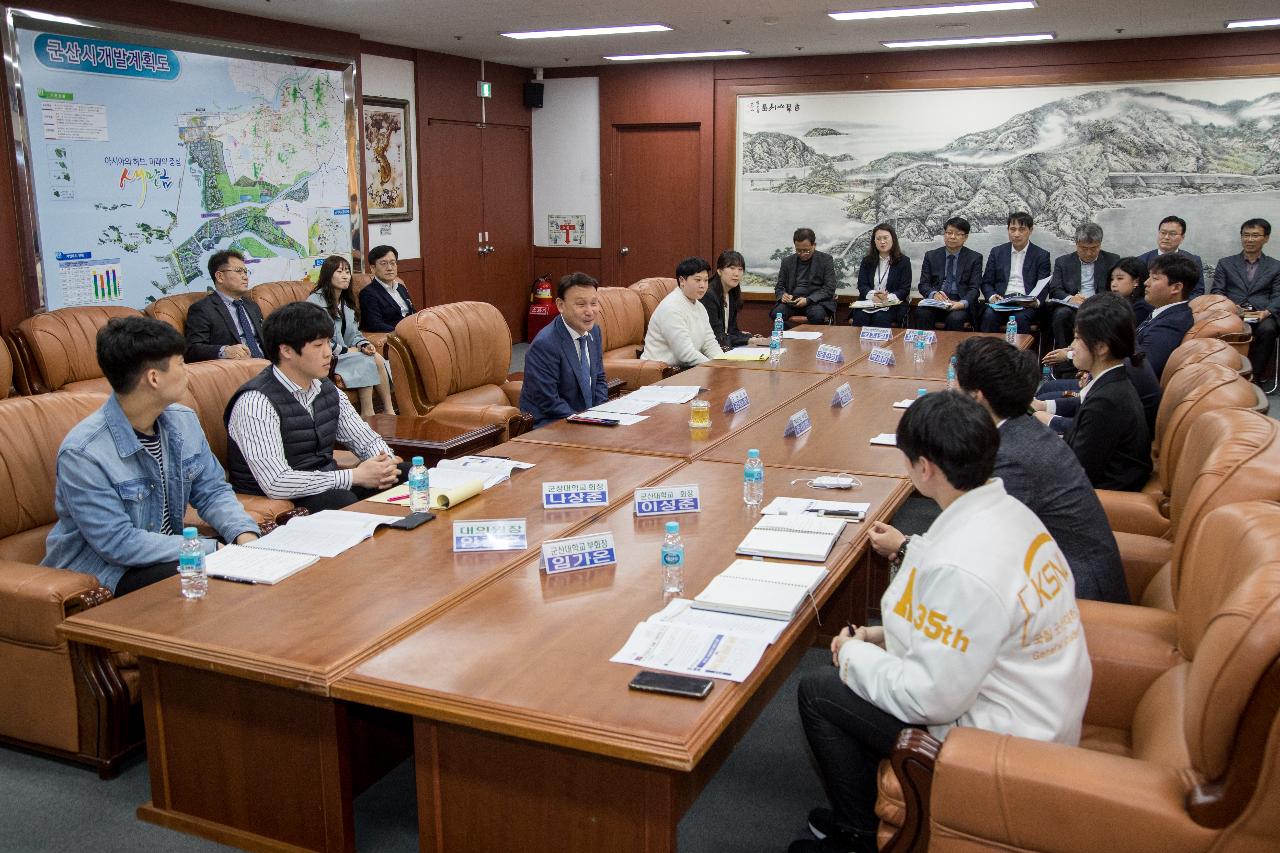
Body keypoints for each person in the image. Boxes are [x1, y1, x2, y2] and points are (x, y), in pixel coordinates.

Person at [790, 391, 1090, 853]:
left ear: (925, 468)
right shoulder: (1009, 513)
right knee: (852, 678)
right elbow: (965, 629)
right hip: (1037, 704)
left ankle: (858, 839)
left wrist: (853, 654)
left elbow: (926, 699)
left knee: (820, 690)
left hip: (1002, 742)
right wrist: (880, 637)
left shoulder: (962, 564)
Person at [43, 317, 260, 595]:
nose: (187, 373)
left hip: (169, 554)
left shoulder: (183, 421)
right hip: (108, 571)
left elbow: (212, 491)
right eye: (181, 364)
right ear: (154, 378)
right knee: (218, 584)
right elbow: (118, 542)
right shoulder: (84, 453)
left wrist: (244, 535)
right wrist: (208, 549)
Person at [955, 337, 1128, 603]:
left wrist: (910, 548)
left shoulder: (1012, 457)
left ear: (977, 396)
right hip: (1058, 565)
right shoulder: (1022, 427)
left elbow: (988, 549)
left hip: (1076, 594)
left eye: (955, 383)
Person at [226, 301, 403, 513]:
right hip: (284, 497)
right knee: (342, 500)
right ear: (287, 351)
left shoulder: (326, 389)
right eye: (319, 346)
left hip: (329, 484)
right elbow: (276, 482)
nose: (329, 353)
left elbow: (365, 439)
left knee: (406, 473)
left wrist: (386, 463)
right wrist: (353, 476)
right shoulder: (256, 402)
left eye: (329, 343)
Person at [1056, 294, 1152, 491]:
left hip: (1104, 500)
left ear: (1101, 347)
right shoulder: (1111, 382)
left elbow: (1078, 472)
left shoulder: (1107, 401)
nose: (1072, 347)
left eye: (1077, 338)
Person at [307, 255, 395, 417]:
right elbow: (316, 339)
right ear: (328, 275)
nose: (345, 275)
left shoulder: (346, 303)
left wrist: (363, 344)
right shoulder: (315, 301)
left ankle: (389, 410)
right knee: (365, 359)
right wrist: (347, 351)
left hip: (346, 354)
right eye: (339, 271)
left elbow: (354, 334)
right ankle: (368, 413)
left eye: (347, 271)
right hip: (326, 356)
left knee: (376, 356)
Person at [519, 272, 609, 428]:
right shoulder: (545, 344)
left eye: (594, 303)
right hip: (553, 424)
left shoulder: (594, 331)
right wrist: (586, 422)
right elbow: (548, 401)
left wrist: (600, 414)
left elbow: (599, 377)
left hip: (586, 421)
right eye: (581, 305)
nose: (589, 311)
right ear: (560, 305)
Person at [1212, 218, 1280, 381]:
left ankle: (1253, 377)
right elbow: (1217, 291)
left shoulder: (1275, 266)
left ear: (1266, 238)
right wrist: (1230, 307)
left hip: (1261, 314)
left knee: (1268, 330)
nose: (1249, 240)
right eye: (1246, 235)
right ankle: (1225, 375)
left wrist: (1267, 312)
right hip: (1233, 313)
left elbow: (1278, 294)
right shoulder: (1225, 263)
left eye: (1255, 235)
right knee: (1219, 328)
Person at [184, 249, 266, 363]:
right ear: (220, 277)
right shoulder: (203, 309)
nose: (245, 277)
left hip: (268, 365)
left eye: (245, 272)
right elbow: (192, 349)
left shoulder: (252, 306)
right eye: (239, 271)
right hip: (238, 369)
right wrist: (225, 351)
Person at [1046, 222, 1120, 348]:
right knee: (1061, 314)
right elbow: (1054, 289)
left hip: (1101, 307)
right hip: (1073, 307)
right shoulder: (1062, 262)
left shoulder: (1112, 260)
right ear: (1076, 244)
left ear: (1100, 244)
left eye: (1094, 248)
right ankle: (1063, 363)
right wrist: (1071, 299)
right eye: (1084, 248)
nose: (1089, 253)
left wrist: (1098, 301)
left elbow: (1116, 289)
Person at [642, 257, 724, 367]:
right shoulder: (671, 307)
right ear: (682, 281)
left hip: (684, 368)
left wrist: (723, 364)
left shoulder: (700, 307)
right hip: (663, 372)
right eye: (697, 280)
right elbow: (685, 354)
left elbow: (709, 343)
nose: (703, 285)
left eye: (706, 280)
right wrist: (712, 367)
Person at [978, 211, 1051, 333]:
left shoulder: (1041, 255)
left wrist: (1035, 302)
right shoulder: (997, 252)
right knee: (989, 315)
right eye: (1012, 229)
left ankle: (1020, 352)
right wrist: (991, 297)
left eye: (1022, 229)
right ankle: (989, 352)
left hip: (1027, 304)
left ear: (1031, 230)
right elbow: (986, 282)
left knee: (1020, 318)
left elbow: (1044, 285)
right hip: (1001, 300)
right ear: (1008, 230)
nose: (1016, 234)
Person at [912, 216, 982, 331]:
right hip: (936, 301)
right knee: (921, 313)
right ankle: (924, 348)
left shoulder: (974, 258)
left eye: (958, 234)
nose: (952, 237)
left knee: (955, 318)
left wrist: (962, 303)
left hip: (959, 302)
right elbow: (923, 285)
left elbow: (974, 289)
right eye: (949, 233)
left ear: (965, 237)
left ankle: (950, 349)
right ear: (944, 234)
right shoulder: (931, 256)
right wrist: (934, 294)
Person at [1135, 253, 1196, 380]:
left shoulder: (1171, 324)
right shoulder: (1165, 312)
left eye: (1155, 278)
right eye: (1149, 276)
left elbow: (1142, 370)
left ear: (1176, 287)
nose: (1146, 283)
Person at [701, 250, 768, 350]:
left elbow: (732, 331)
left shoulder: (731, 293)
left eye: (740, 269)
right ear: (719, 271)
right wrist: (747, 340)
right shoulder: (709, 295)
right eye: (732, 268)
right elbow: (717, 335)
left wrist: (749, 337)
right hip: (711, 349)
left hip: (725, 345)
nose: (736, 273)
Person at [848, 223, 911, 328]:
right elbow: (862, 286)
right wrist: (874, 296)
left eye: (885, 238)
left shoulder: (903, 261)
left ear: (893, 239)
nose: (882, 242)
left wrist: (886, 298)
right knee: (860, 316)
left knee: (881, 317)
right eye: (878, 239)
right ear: (874, 242)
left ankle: (882, 345)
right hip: (869, 302)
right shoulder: (866, 261)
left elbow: (904, 289)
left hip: (892, 305)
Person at [774, 228, 838, 325]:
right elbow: (779, 287)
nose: (802, 254)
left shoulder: (825, 260)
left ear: (814, 245)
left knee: (818, 316)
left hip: (815, 303)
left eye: (806, 250)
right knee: (777, 314)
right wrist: (783, 295)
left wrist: (808, 300)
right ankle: (787, 339)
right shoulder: (787, 261)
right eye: (798, 250)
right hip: (792, 302)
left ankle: (811, 340)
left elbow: (829, 288)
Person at [1137, 215, 1205, 300]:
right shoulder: (1141, 260)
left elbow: (1198, 291)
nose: (1166, 237)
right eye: (1163, 233)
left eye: (1172, 234)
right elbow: (1138, 291)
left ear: (1182, 237)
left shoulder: (1193, 260)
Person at [359, 244, 415, 332]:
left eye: (393, 263)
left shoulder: (401, 287)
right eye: (383, 264)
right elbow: (374, 324)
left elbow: (413, 313)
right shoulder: (368, 293)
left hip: (413, 330)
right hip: (396, 335)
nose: (389, 268)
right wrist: (403, 332)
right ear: (373, 268)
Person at [1108, 256, 1153, 327]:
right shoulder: (1113, 302)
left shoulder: (1142, 308)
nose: (1113, 284)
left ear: (1136, 281)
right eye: (1112, 279)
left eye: (1119, 278)